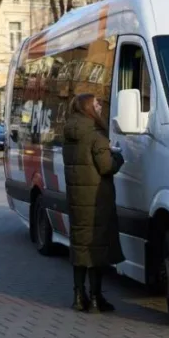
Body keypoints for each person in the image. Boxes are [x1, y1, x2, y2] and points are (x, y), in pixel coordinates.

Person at [62, 93, 125, 313]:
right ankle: (97, 299)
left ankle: (79, 297)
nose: (100, 107)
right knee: (96, 249)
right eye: (96, 104)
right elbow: (106, 167)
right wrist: (118, 158)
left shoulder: (69, 133)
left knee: (80, 247)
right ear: (87, 107)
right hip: (97, 200)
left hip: (77, 199)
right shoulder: (96, 135)